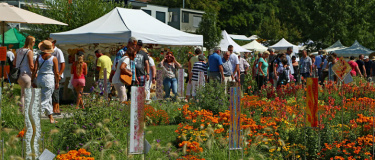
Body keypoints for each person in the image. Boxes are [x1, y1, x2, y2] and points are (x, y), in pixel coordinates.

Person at [31, 40, 59, 124]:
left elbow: (35, 70)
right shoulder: (53, 59)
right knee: (45, 100)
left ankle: (51, 118)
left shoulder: (38, 57)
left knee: (48, 99)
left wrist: (33, 80)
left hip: (40, 78)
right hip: (49, 79)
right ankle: (34, 118)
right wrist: (57, 82)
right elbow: (56, 72)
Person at [13, 35, 35, 112]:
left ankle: (21, 109)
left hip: (19, 75)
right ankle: (24, 111)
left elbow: (14, 63)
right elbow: (31, 65)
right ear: (31, 42)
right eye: (34, 42)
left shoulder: (18, 50)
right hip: (26, 74)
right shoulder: (29, 52)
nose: (34, 43)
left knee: (22, 94)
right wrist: (35, 73)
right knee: (26, 95)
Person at [47, 38, 65, 115]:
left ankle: (56, 108)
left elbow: (62, 64)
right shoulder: (48, 51)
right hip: (50, 74)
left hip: (57, 74)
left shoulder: (58, 51)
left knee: (55, 91)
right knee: (53, 91)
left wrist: (59, 74)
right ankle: (56, 108)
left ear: (53, 43)